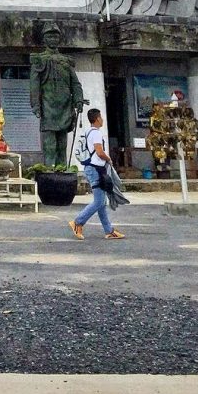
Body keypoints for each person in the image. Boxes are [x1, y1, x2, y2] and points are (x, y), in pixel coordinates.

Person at [29, 22, 85, 167]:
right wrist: (36, 105)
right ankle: (48, 171)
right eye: (50, 36)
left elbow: (75, 83)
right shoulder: (39, 59)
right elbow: (34, 85)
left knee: (62, 144)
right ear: (44, 39)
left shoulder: (66, 61)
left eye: (55, 37)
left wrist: (78, 99)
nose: (53, 39)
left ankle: (62, 170)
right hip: (47, 106)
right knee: (49, 145)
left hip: (65, 106)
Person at [68, 108, 125, 241]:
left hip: (92, 168)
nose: (103, 120)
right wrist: (108, 159)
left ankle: (109, 230)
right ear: (98, 118)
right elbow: (99, 152)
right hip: (96, 169)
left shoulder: (88, 132)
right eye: (101, 117)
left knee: (101, 202)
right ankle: (78, 222)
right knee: (99, 201)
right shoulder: (97, 134)